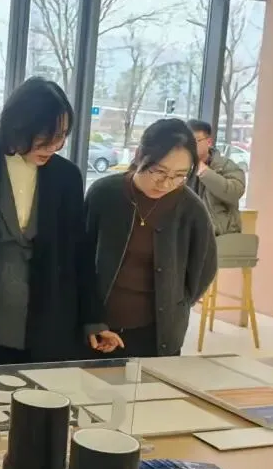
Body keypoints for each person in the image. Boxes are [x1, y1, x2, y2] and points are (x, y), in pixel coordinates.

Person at [0, 77, 123, 367]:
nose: (54, 146)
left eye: (61, 136)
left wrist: (92, 319)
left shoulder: (67, 178)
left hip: (48, 323)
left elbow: (79, 256)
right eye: (45, 137)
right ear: (18, 126)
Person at [85, 118, 217, 357]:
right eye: (159, 171)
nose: (166, 183)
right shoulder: (104, 194)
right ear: (139, 156)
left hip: (157, 333)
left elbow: (205, 267)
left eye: (179, 175)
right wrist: (91, 320)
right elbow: (79, 258)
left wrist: (177, 302)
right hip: (99, 326)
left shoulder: (191, 209)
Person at [188, 119, 246, 235]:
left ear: (209, 142)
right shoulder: (181, 168)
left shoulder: (225, 165)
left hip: (220, 236)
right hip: (189, 235)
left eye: (194, 141)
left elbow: (235, 192)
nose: (189, 146)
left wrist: (204, 172)